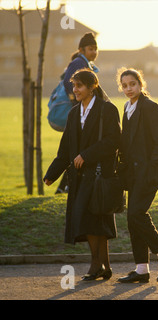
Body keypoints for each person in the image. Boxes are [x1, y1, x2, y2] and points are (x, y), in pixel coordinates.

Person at [44, 69, 121, 281]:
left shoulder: (107, 109)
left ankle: (96, 265)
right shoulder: (73, 112)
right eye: (74, 85)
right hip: (79, 178)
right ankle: (103, 266)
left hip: (99, 177)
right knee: (90, 222)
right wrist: (52, 173)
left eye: (79, 86)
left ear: (92, 86)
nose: (74, 90)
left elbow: (114, 141)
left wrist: (86, 155)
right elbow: (66, 148)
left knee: (96, 222)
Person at [116, 68, 158, 284]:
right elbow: (128, 139)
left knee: (136, 214)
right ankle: (141, 269)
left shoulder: (151, 107)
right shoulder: (126, 107)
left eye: (132, 84)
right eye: (124, 85)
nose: (128, 88)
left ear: (141, 85)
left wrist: (151, 169)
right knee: (133, 220)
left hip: (148, 172)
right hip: (132, 173)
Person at [55, 32, 101, 195]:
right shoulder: (78, 62)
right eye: (90, 48)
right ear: (81, 49)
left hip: (83, 110)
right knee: (76, 149)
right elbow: (69, 81)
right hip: (80, 112)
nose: (94, 52)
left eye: (95, 48)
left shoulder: (85, 63)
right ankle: (63, 187)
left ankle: (64, 187)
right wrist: (78, 100)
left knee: (78, 149)